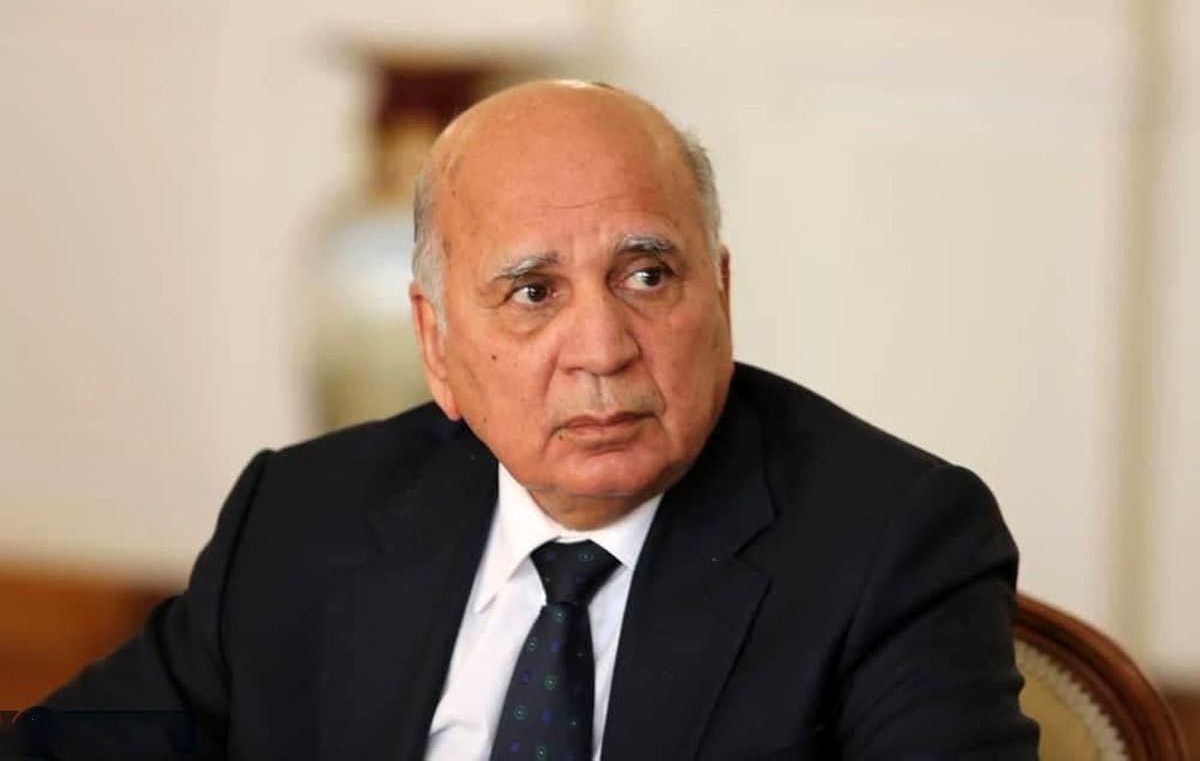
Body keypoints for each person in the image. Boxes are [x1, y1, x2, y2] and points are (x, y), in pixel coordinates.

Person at [8, 80, 1038, 759]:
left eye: (646, 274)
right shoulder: (302, 514)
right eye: (533, 292)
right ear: (436, 342)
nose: (602, 347)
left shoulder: (893, 545)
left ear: (720, 295)